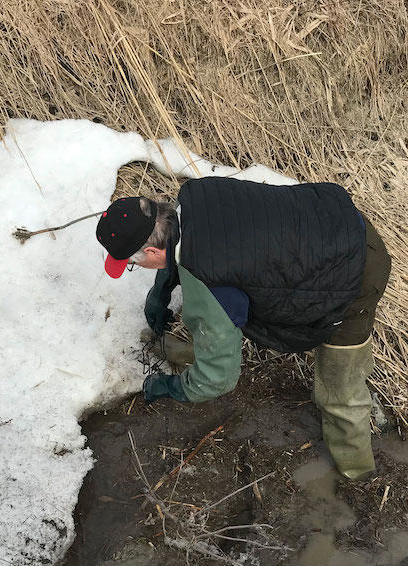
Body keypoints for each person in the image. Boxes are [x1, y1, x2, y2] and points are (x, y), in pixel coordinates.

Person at [95, 177, 391, 480]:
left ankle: (358, 473)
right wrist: (162, 288)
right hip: (334, 219)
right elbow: (189, 247)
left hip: (355, 273)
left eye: (133, 263)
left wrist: (171, 387)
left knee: (340, 389)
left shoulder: (209, 283)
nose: (137, 268)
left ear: (153, 253)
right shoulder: (196, 195)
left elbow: (217, 379)